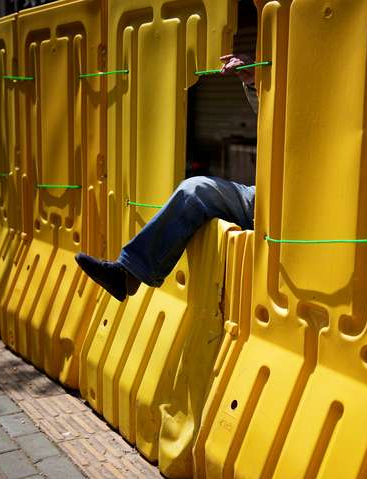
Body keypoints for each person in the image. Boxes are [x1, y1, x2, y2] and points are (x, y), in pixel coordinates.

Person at [76, 54, 258, 302]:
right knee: (195, 189)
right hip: (266, 195)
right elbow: (279, 117)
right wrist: (254, 82)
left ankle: (127, 272)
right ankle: (126, 274)